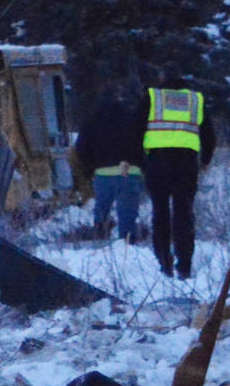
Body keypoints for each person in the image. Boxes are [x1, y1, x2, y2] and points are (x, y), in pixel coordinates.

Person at [137, 83, 216, 280]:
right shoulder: (195, 100)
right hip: (186, 163)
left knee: (160, 211)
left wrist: (140, 161)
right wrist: (205, 160)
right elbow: (209, 135)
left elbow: (135, 129)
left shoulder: (153, 97)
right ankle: (185, 266)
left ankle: (165, 263)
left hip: (157, 161)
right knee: (184, 213)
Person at [74, 84, 145, 243]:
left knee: (101, 210)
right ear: (119, 98)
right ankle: (128, 246)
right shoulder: (131, 117)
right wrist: (141, 164)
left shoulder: (92, 119)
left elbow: (81, 148)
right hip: (128, 169)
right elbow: (143, 142)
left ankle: (100, 239)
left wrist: (90, 166)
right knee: (127, 214)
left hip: (103, 172)